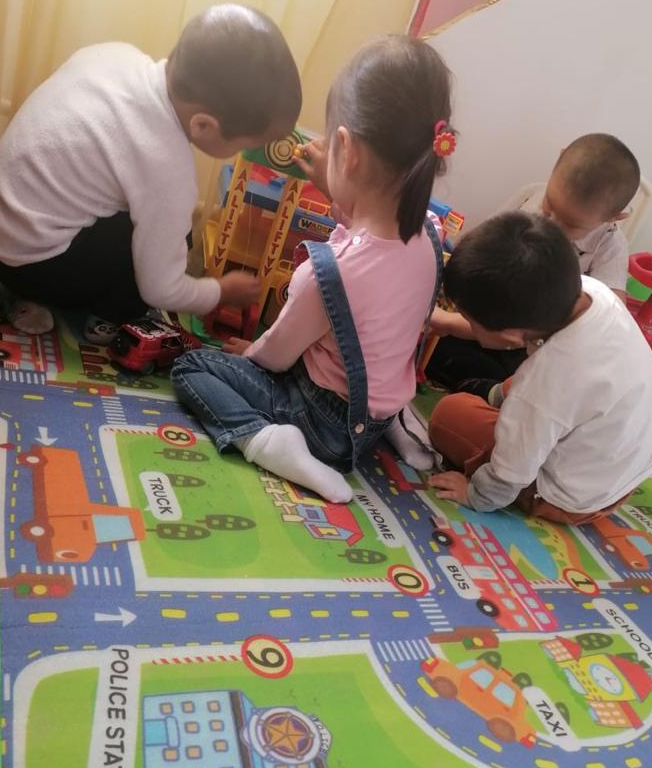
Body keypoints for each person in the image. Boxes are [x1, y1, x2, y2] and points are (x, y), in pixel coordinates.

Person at [172, 35, 455, 503]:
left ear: (347, 149)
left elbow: (276, 357)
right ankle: (399, 426)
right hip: (374, 415)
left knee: (192, 366)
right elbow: (371, 241)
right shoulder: (428, 233)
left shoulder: (330, 273)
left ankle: (269, 443)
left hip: (325, 428)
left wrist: (249, 355)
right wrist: (334, 186)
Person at [0, 5, 301, 343]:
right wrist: (219, 291)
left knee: (156, 226)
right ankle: (104, 319)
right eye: (247, 144)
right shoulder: (166, 166)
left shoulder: (116, 55)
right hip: (30, 265)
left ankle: (17, 285)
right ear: (203, 125)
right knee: (173, 244)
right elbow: (162, 289)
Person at [427, 211, 652, 524]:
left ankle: (500, 413)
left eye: (470, 321)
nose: (468, 325)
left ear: (511, 337)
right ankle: (497, 396)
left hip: (571, 497)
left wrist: (476, 495)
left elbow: (510, 472)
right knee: (520, 395)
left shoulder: (545, 383)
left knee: (449, 414)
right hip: (628, 465)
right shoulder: (592, 292)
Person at [426, 133, 641, 394]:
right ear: (558, 161)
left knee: (520, 377)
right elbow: (482, 242)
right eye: (548, 208)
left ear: (614, 217)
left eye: (571, 224)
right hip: (486, 316)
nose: (551, 225)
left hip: (530, 339)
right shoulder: (531, 196)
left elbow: (609, 316)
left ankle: (488, 387)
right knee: (437, 341)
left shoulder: (610, 247)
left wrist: (451, 323)